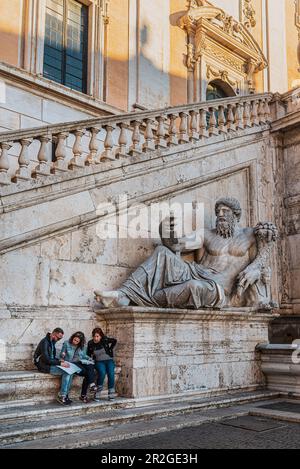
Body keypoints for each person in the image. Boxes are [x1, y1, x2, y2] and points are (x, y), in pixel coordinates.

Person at [95, 197, 278, 309]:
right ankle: (123, 294)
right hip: (195, 272)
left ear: (236, 215)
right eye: (218, 211)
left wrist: (255, 268)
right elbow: (177, 246)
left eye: (225, 211)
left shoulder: (250, 234)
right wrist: (166, 232)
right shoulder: (206, 234)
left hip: (220, 288)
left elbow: (264, 253)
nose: (220, 214)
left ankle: (140, 299)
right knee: (162, 252)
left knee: (194, 286)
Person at [33, 327, 73, 405]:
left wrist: (59, 360)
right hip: (43, 366)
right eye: (58, 338)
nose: (58, 340)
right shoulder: (45, 342)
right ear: (53, 334)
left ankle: (65, 394)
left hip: (49, 364)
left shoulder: (52, 341)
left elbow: (52, 357)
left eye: (60, 339)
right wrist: (60, 363)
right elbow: (46, 359)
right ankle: (62, 396)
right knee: (67, 372)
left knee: (71, 371)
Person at [60, 331, 98, 403]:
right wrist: (62, 355)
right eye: (74, 340)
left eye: (77, 341)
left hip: (79, 362)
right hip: (71, 363)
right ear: (72, 338)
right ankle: (85, 393)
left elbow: (83, 356)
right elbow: (61, 355)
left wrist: (89, 359)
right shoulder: (66, 343)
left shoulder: (82, 346)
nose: (75, 342)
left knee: (90, 365)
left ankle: (91, 385)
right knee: (88, 373)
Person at [87, 327, 117, 400]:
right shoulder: (90, 343)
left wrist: (110, 349)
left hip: (109, 360)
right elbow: (88, 353)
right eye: (94, 336)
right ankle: (98, 392)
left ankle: (111, 392)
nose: (95, 338)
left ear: (101, 336)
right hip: (99, 361)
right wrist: (90, 359)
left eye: (97, 336)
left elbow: (114, 341)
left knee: (111, 373)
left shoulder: (105, 340)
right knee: (102, 373)